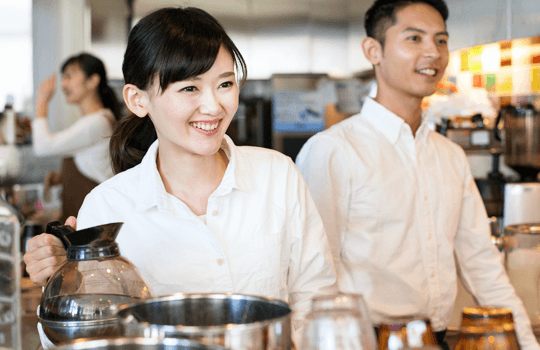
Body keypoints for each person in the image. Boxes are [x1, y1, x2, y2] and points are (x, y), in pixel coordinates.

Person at [24, 6, 337, 348]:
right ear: (138, 99)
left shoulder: (278, 176)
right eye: (189, 89)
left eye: (225, 84)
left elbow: (317, 301)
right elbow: (83, 339)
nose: (214, 106)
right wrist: (59, 282)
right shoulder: (108, 205)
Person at [295, 0, 540, 349]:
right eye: (414, 39)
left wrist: (528, 344)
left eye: (441, 41)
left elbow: (482, 265)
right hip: (365, 340)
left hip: (434, 339)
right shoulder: (333, 150)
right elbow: (313, 277)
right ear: (373, 50)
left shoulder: (450, 156)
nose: (433, 53)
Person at [32, 53, 121, 223]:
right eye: (63, 77)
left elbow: (42, 146)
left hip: (94, 221)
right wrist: (63, 177)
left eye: (69, 76)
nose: (63, 84)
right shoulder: (97, 120)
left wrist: (41, 102)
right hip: (86, 220)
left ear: (93, 81)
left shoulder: (95, 123)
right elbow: (94, 165)